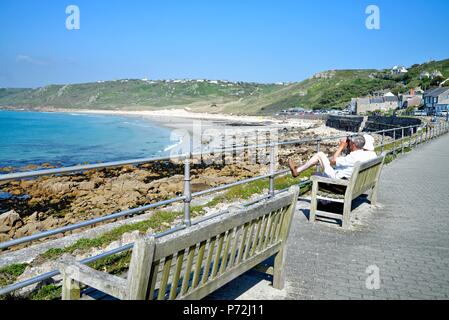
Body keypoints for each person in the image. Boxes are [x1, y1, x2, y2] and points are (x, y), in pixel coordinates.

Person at [288, 135, 377, 180]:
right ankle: (324, 201)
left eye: (350, 143)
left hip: (340, 180)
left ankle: (297, 171)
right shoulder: (371, 155)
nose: (348, 144)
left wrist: (341, 146)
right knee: (314, 174)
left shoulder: (353, 156)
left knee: (320, 154)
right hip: (354, 181)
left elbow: (333, 160)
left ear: (353, 145)